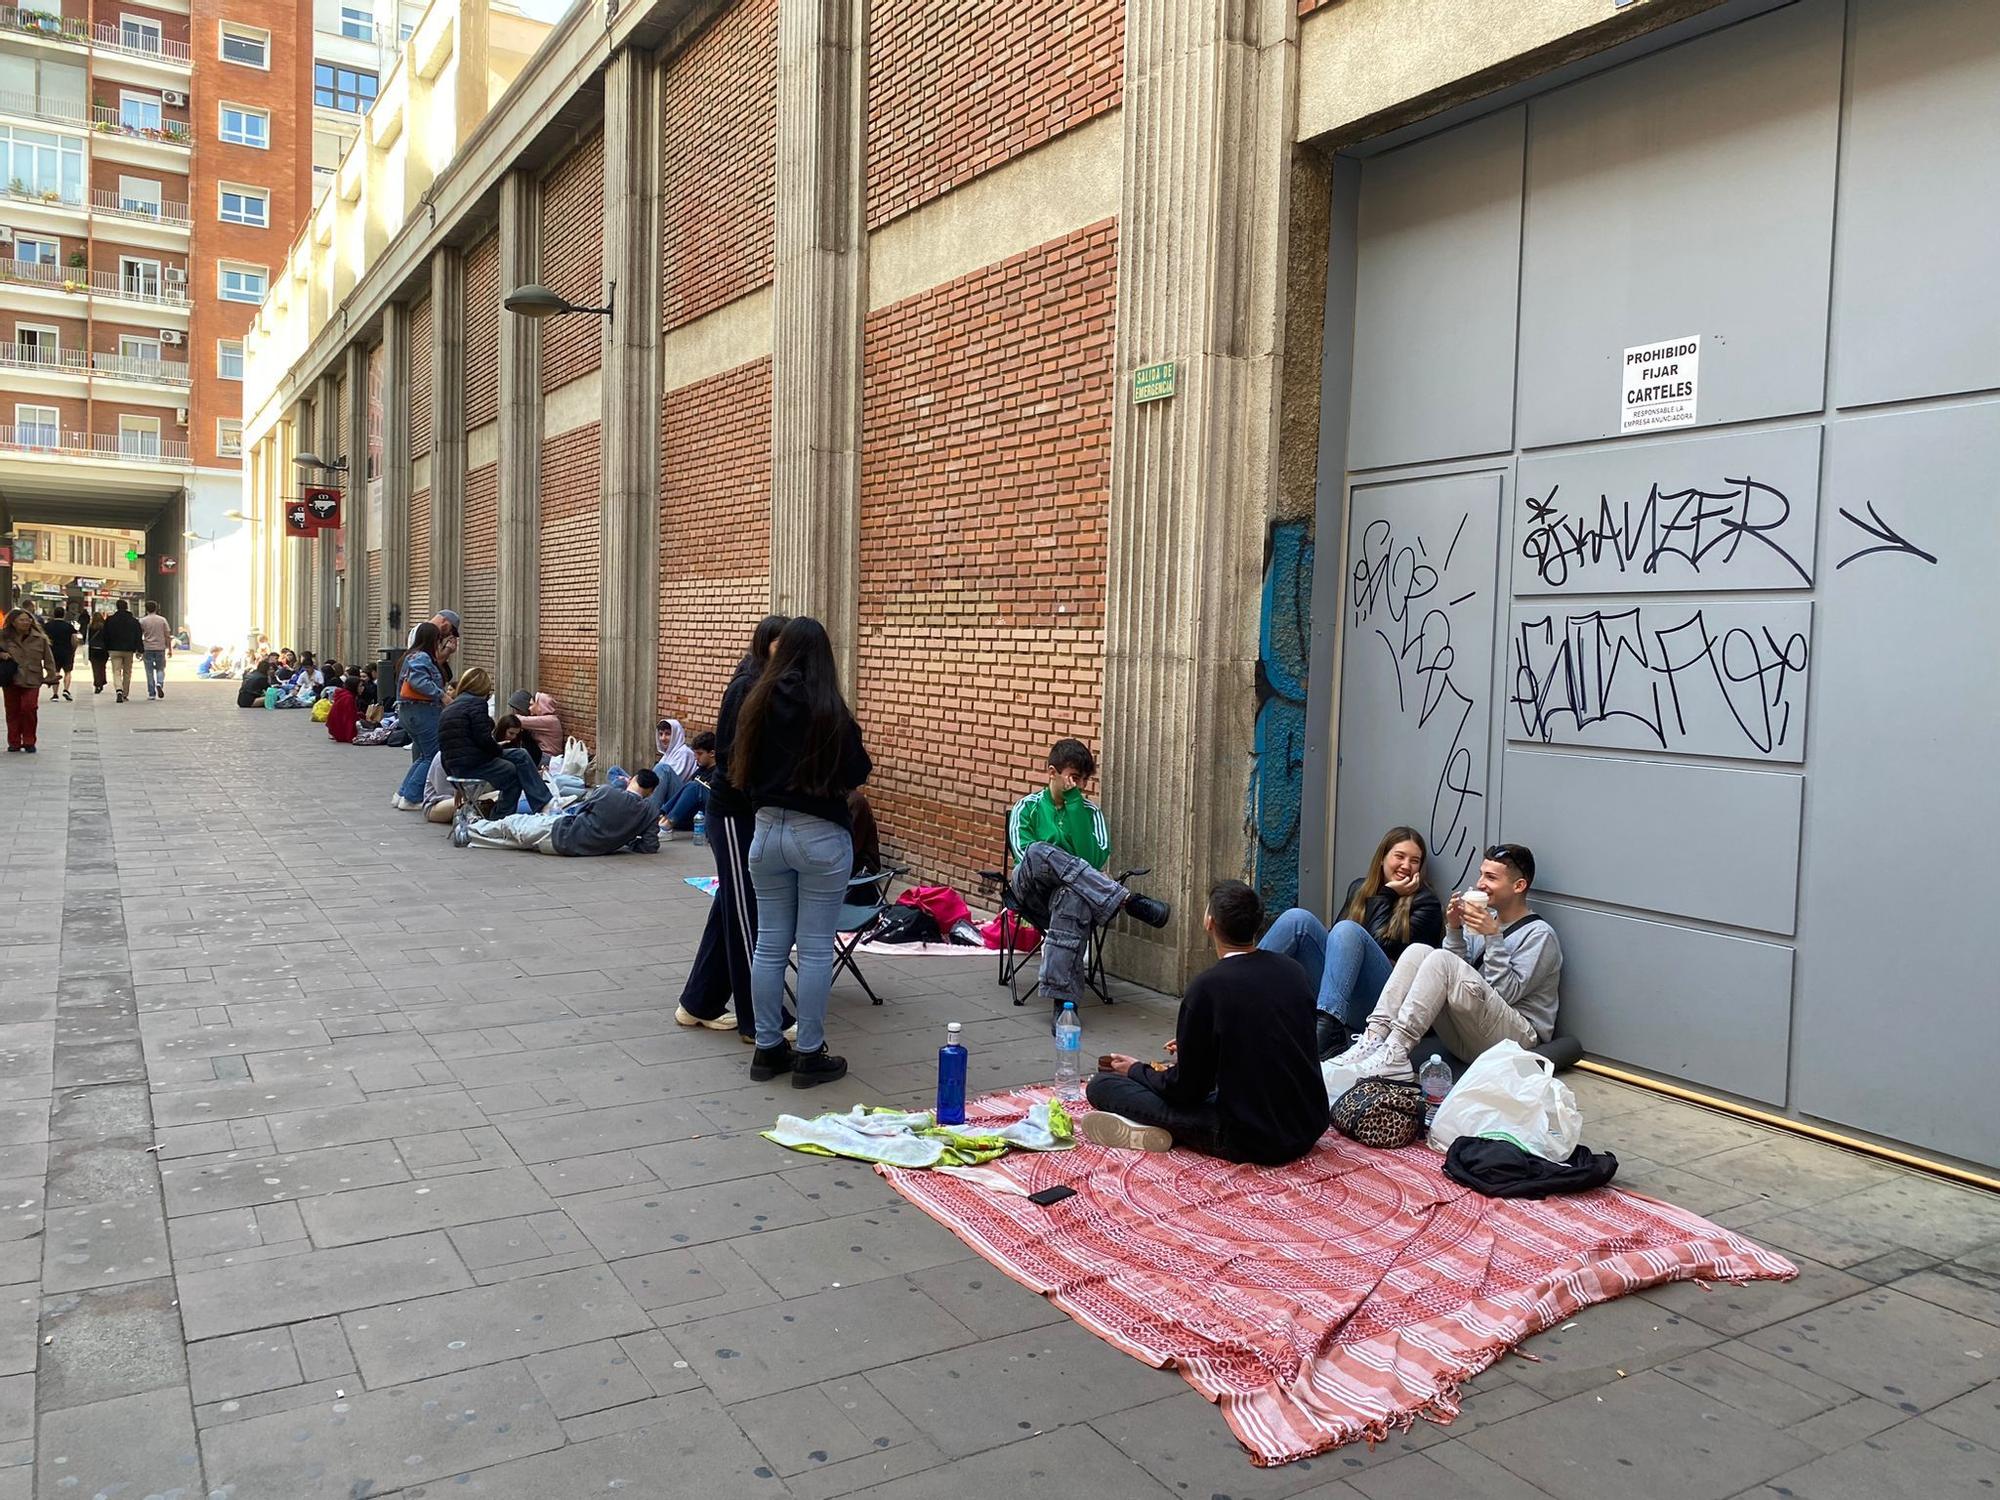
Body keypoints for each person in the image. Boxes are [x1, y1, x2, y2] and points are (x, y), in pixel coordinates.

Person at [1085, 881, 1326, 1163]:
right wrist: (1202, 1045)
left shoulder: (1207, 987)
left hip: (1252, 1138)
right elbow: (1273, 1038)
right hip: (1308, 1126)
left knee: (1102, 1085)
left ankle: (1160, 1128)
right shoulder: (1293, 970)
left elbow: (1186, 1091)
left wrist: (1138, 1070)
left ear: (1208, 921)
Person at [735, 616, 871, 1088]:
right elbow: (858, 771)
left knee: (769, 944)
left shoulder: (757, 701)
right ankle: (810, 1054)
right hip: (819, 835)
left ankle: (767, 1049)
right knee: (813, 949)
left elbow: (740, 767)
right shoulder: (829, 710)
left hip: (767, 830)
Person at [1329, 843, 1563, 1082]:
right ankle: (1375, 1039)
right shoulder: (1485, 918)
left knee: (1439, 958)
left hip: (1515, 1041)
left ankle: (1397, 1051)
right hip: (1471, 1035)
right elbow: (1462, 981)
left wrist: (1493, 938)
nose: (1481, 883)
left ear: (1518, 886)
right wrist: (1454, 929)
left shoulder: (1539, 935)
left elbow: (1504, 995)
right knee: (1419, 951)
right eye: (1481, 874)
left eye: (1491, 877)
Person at [674, 614, 788, 1041]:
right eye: (783, 645)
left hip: (744, 811)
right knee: (747, 916)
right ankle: (757, 1018)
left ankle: (698, 1001)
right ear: (766, 644)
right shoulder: (748, 687)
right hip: (735, 814)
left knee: (729, 910)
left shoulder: (761, 682)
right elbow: (739, 756)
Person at [1260, 826, 1445, 1057]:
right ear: (1382, 858)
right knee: (1297, 919)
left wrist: (1386, 895)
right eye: (1399, 856)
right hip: (1342, 996)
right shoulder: (1359, 888)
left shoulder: (1426, 903)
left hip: (1385, 1006)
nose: (1406, 865)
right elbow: (1337, 947)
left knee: (1348, 929)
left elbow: (1379, 944)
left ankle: (1329, 1031)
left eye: (1414, 860)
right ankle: (1238, 990)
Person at [1007, 839, 1170, 1025]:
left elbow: (1094, 859)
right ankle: (1126, 900)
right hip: (1031, 892)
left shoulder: (1089, 813)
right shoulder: (1027, 809)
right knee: (1037, 850)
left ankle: (1064, 1002)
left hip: (1075, 892)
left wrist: (1075, 810)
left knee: (1071, 898)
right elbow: (1024, 855)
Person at [468, 768, 664, 856]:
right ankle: (470, 835)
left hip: (562, 832)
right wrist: (626, 839)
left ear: (633, 779)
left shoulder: (607, 793)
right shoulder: (651, 812)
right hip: (584, 849)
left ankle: (472, 825)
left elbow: (577, 811)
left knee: (512, 823)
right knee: (511, 841)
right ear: (651, 791)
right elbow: (650, 845)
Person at [438, 667, 553, 815]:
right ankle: (503, 817)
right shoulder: (477, 704)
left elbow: (445, 747)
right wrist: (497, 749)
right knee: (513, 772)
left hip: (455, 766)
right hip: (474, 763)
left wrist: (454, 781)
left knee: (521, 755)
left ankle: (543, 802)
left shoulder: (449, 708)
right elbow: (483, 740)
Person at [1008, 738, 1110, 869]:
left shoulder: (1091, 811)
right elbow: (1025, 858)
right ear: (1052, 773)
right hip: (1035, 882)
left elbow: (1093, 863)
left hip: (1076, 884)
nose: (1081, 786)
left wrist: (1074, 805)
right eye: (1075, 778)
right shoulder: (1026, 807)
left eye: (1085, 779)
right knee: (1035, 851)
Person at [390, 622, 447, 810]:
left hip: (409, 712)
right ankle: (412, 798)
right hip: (422, 712)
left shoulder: (410, 656)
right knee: (432, 755)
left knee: (424, 755)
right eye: (438, 639)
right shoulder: (422, 657)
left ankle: (403, 793)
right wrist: (442, 695)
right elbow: (419, 681)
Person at [1, 607, 58, 753]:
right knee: (12, 711)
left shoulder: (39, 638)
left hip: (32, 678)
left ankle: (29, 740)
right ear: (13, 622)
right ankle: (14, 741)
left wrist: (51, 675)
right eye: (22, 620)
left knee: (29, 708)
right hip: (11, 678)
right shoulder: (4, 637)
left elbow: (48, 658)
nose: (26, 622)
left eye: (28, 619)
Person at [660, 731, 716, 831]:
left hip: (705, 817)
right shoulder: (700, 770)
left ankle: (667, 824)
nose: (696, 757)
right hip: (690, 814)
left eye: (699, 754)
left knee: (694, 786)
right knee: (663, 768)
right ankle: (660, 816)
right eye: (695, 753)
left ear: (712, 753)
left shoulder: (719, 772)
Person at [98, 599, 142, 702]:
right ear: (127, 607)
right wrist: (139, 649)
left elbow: (105, 635)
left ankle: (119, 689)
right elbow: (138, 635)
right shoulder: (133, 621)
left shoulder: (110, 620)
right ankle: (125, 693)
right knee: (127, 672)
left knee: (116, 671)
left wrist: (106, 647)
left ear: (117, 607)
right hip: (129, 650)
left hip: (114, 649)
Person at [509, 691, 564, 760]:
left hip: (548, 757)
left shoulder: (549, 720)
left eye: (531, 705)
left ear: (540, 705)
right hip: (543, 755)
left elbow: (519, 720)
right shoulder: (547, 719)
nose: (529, 708)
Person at [653, 717, 697, 796]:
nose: (663, 738)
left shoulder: (684, 752)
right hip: (661, 791)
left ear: (676, 735)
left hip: (678, 796)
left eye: (667, 734)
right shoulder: (668, 754)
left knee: (662, 768)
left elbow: (668, 781)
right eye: (661, 734)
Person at [138, 599, 171, 700]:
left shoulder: (143, 621)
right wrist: (169, 648)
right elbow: (167, 635)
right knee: (160, 668)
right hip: (160, 648)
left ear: (146, 609)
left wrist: (139, 650)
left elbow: (139, 635)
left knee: (149, 671)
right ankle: (159, 683)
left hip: (147, 648)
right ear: (156, 608)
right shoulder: (162, 620)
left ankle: (151, 693)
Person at [42, 606, 76, 702]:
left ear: (54, 614)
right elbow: (74, 639)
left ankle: (55, 694)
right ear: (64, 615)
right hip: (66, 651)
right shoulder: (68, 626)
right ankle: (66, 689)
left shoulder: (47, 626)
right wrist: (73, 649)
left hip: (52, 652)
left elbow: (44, 639)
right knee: (68, 671)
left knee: (55, 672)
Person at [325, 673, 360, 743]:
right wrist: (352, 736)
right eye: (360, 686)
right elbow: (349, 719)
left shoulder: (344, 695)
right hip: (341, 732)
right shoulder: (348, 698)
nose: (362, 688)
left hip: (335, 729)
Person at [84, 609, 110, 695]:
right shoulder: (105, 627)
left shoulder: (90, 627)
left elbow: (86, 637)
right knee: (102, 666)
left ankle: (97, 684)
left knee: (95, 668)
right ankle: (102, 681)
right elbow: (107, 638)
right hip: (103, 649)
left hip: (93, 649)